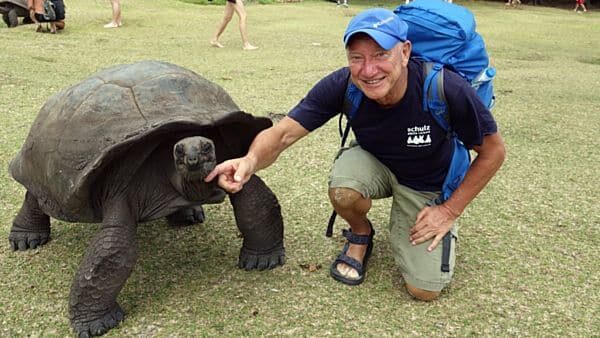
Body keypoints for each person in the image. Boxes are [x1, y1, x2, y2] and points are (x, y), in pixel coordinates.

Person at [205, 8, 505, 301]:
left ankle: (418, 220)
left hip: (427, 180)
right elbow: (282, 133)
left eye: (380, 55)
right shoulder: (343, 84)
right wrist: (249, 161)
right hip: (375, 161)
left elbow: (493, 152)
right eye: (357, 58)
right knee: (344, 189)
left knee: (424, 290)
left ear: (405, 52)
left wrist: (449, 211)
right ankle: (361, 233)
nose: (368, 70)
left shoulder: (443, 87)